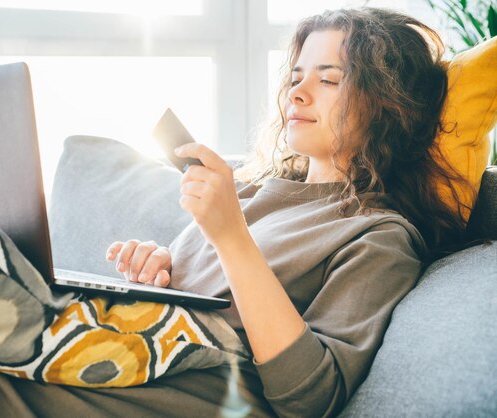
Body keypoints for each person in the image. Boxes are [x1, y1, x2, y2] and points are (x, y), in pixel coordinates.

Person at [102, 7, 470, 417]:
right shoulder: (247, 192)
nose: (297, 93)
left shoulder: (376, 236)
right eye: (296, 78)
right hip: (123, 361)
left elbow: (313, 398)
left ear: (387, 106)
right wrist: (159, 274)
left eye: (328, 79)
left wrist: (230, 237)